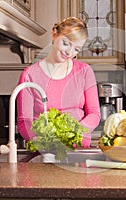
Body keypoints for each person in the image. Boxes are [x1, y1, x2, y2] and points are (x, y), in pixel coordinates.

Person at [17, 17, 101, 148]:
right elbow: (24, 121)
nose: (69, 52)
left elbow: (94, 114)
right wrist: (42, 140)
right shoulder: (30, 75)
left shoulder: (84, 71)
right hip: (45, 150)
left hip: (79, 149)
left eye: (76, 49)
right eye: (66, 43)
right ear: (54, 34)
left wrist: (75, 132)